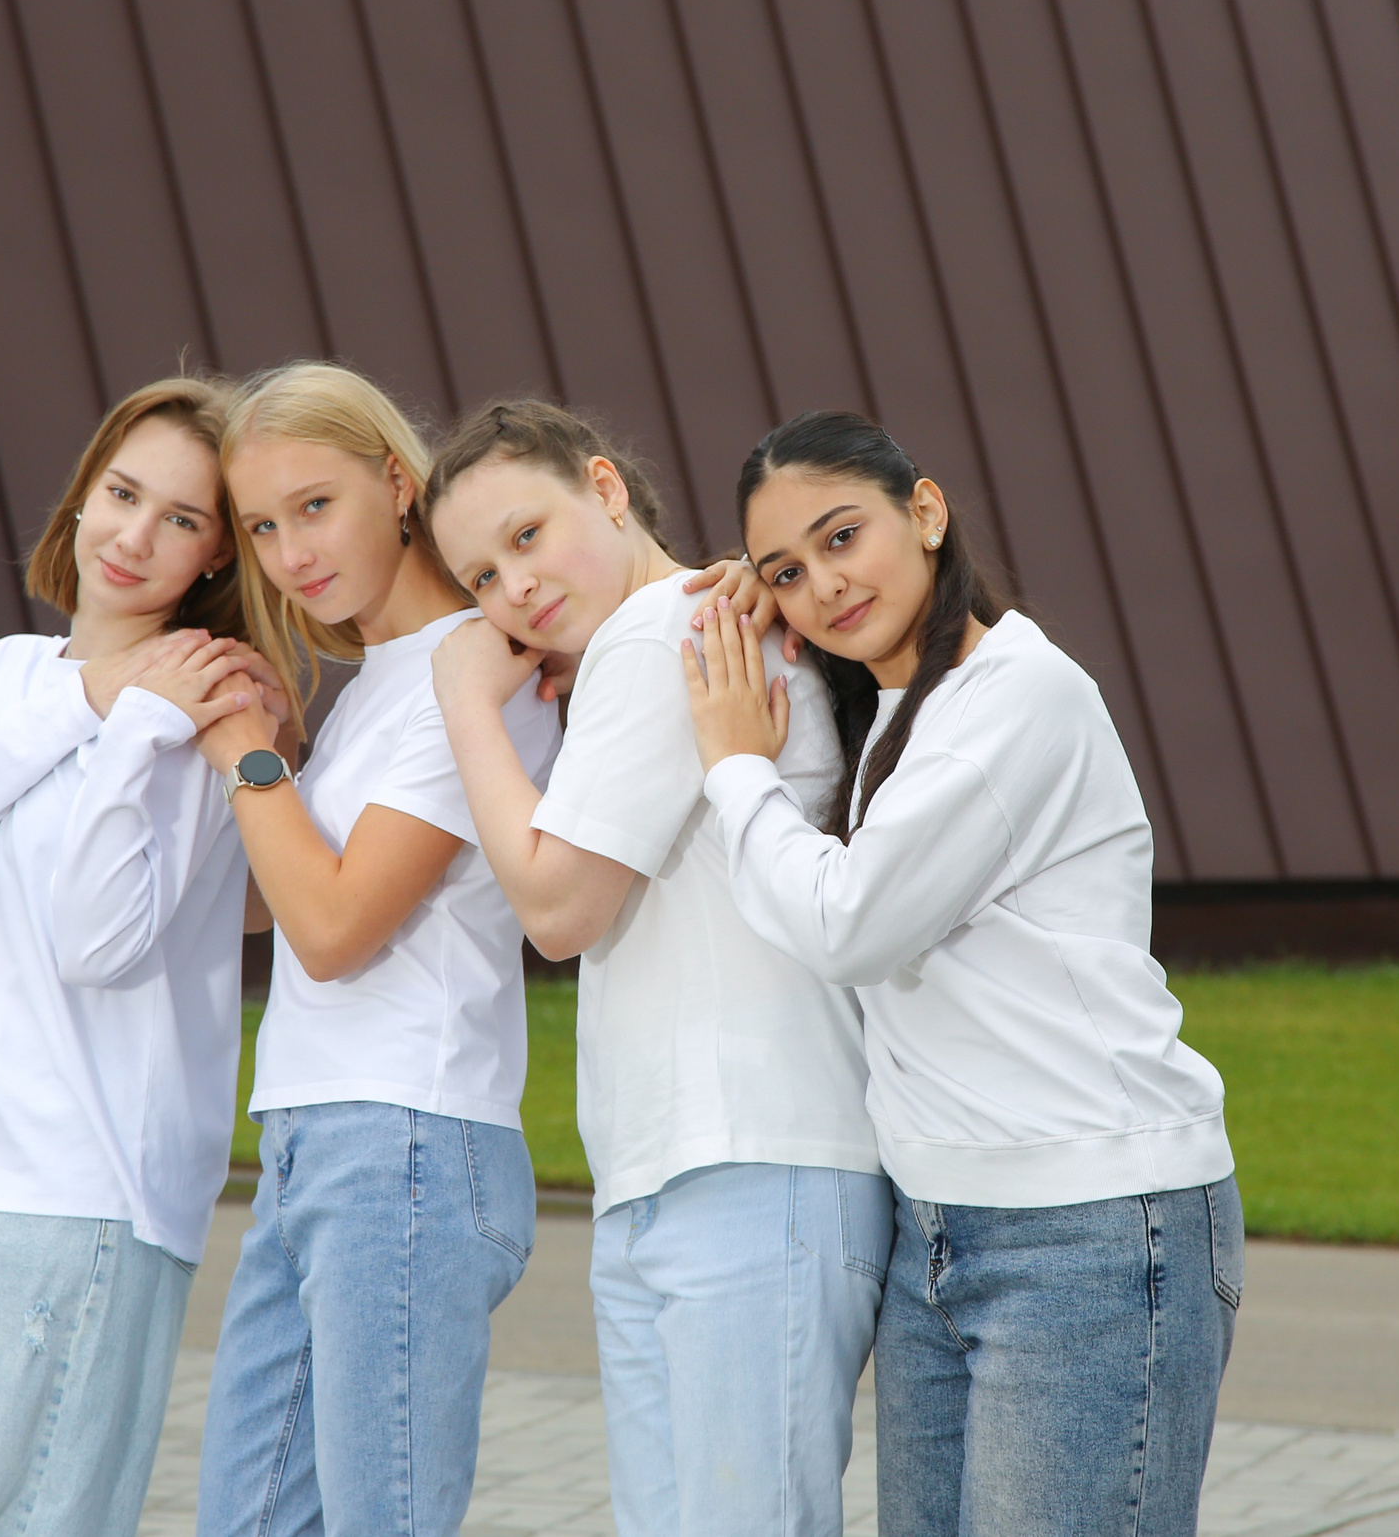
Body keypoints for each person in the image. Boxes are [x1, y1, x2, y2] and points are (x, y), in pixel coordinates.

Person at [679, 410, 1241, 1537]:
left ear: (924, 512)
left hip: (1089, 1227)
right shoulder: (893, 712)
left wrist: (735, 768)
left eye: (844, 538)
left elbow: (848, 924)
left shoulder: (1018, 697)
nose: (825, 586)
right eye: (786, 572)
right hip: (937, 1225)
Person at [424, 399, 887, 1537]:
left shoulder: (659, 633)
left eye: (527, 536)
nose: (512, 591)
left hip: (748, 1163)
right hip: (689, 1173)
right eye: (479, 579)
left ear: (608, 488)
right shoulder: (671, 633)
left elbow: (555, 908)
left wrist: (460, 700)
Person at [0, 376, 277, 1537]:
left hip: (85, 1196)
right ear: (83, 496)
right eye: (122, 493)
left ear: (216, 555)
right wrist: (90, 697)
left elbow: (100, 943)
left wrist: (139, 721)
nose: (134, 537)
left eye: (182, 519)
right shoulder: (6, 678)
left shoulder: (208, 709)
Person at [187, 362, 564, 1537]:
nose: (291, 550)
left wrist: (250, 759)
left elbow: (336, 930)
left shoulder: (477, 672)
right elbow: (268, 908)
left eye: (315, 505)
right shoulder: (374, 685)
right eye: (261, 524)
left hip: (406, 1143)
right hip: (312, 1139)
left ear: (394, 482)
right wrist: (279, 760)